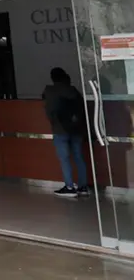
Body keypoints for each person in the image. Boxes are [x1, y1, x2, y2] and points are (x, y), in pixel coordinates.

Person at [42, 67, 90, 197]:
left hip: (60, 129)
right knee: (79, 157)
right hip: (77, 129)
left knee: (64, 158)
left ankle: (69, 187)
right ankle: (83, 186)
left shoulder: (50, 91)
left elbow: (49, 111)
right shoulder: (73, 90)